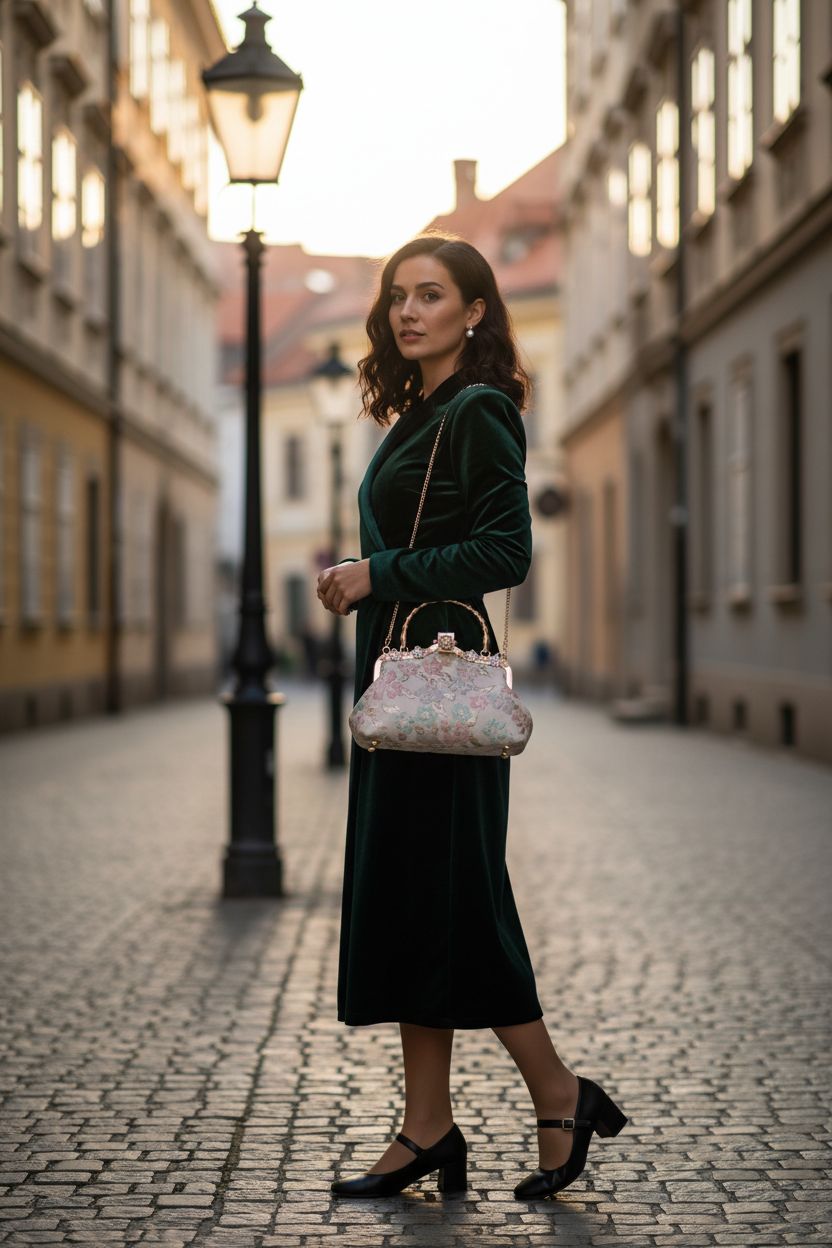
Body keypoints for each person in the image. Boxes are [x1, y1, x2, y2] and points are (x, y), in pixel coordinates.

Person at [316, 234, 627, 1201]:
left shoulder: (482, 410)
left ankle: (560, 1090)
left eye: (433, 296)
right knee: (415, 900)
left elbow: (507, 550)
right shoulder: (422, 412)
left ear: (476, 311)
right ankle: (428, 1127)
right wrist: (372, 571)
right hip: (401, 696)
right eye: (398, 296)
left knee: (459, 903)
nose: (410, 312)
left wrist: (379, 574)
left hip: (439, 699)